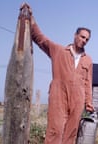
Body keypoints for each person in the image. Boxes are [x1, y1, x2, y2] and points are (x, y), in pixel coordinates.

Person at [20, 3, 94, 144]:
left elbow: (88, 83)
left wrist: (88, 103)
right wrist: (30, 17)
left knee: (71, 134)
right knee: (55, 130)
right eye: (82, 37)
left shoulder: (88, 60)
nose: (84, 40)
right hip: (58, 95)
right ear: (75, 35)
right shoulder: (58, 51)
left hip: (77, 99)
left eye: (87, 39)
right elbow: (40, 39)